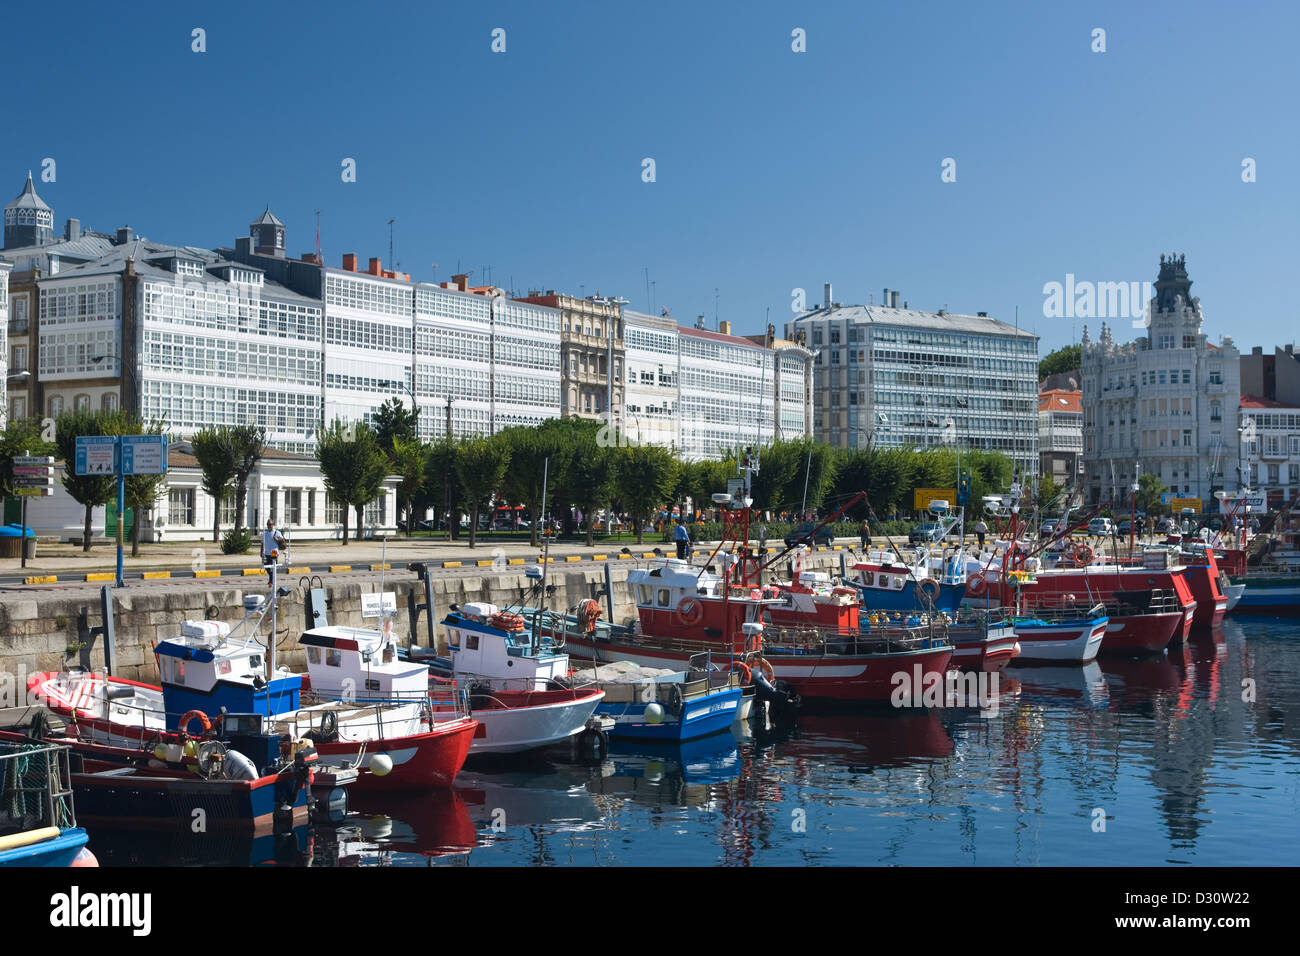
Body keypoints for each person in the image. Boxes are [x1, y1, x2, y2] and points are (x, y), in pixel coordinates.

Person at [262, 519, 287, 584]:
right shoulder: (265, 534)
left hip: (274, 552)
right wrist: (261, 551)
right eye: (268, 524)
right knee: (266, 566)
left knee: (273, 567)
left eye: (270, 524)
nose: (269, 526)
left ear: (273, 525)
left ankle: (271, 581)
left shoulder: (277, 532)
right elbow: (262, 543)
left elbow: (283, 540)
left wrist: (277, 539)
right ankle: (271, 578)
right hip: (267, 552)